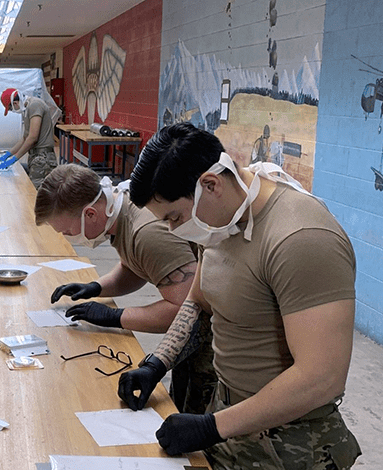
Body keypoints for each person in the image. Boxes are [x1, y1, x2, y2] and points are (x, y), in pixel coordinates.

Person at [120, 122, 361, 469]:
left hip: (291, 445)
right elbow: (198, 303)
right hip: (231, 420)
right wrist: (156, 364)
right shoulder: (221, 223)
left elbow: (321, 378)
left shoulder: (301, 238)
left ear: (211, 184)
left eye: (174, 217)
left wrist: (212, 426)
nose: (173, 230)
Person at [34, 164, 214, 414]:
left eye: (68, 231)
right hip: (195, 332)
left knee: (195, 415)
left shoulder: (147, 233)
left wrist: (115, 316)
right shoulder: (119, 213)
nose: (68, 237)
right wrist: (96, 287)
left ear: (90, 214)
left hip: (213, 339)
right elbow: (135, 266)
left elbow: (185, 312)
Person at [0, 87, 58, 188]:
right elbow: (24, 138)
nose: (12, 111)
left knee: (36, 194)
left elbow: (32, 137)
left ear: (15, 103)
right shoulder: (27, 109)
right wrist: (7, 155)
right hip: (36, 157)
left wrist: (15, 158)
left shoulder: (35, 105)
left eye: (10, 109)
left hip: (44, 158)